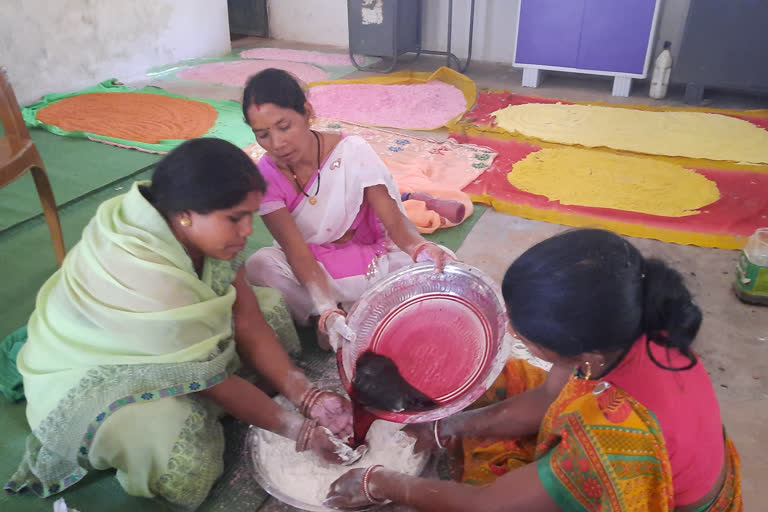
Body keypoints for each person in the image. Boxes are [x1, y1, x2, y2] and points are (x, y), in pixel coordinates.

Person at [5, 138, 355, 510]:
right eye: (235, 218)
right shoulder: (148, 273)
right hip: (97, 370)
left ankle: (218, 390)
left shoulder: (191, 228)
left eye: (250, 216)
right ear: (187, 213)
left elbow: (248, 319)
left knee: (271, 311)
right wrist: (300, 431)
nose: (247, 231)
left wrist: (306, 396)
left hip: (170, 339)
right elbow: (216, 385)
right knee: (181, 455)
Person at [325, 229, 742, 512]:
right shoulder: (634, 320)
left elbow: (487, 505)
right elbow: (549, 397)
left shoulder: (611, 437)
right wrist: (446, 427)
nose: (508, 327)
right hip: (648, 441)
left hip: (664, 492)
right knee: (511, 380)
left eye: (524, 330)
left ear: (581, 355)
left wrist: (381, 483)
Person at [241, 69, 455, 347]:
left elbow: (392, 221)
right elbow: (296, 252)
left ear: (306, 112)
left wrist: (419, 248)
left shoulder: (352, 151)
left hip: (371, 259)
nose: (277, 143)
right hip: (314, 270)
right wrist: (325, 306)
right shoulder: (266, 176)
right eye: (263, 135)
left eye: (284, 127)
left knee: (444, 263)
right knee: (260, 266)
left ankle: (351, 314)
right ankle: (333, 315)